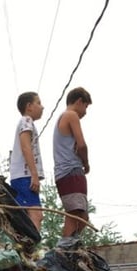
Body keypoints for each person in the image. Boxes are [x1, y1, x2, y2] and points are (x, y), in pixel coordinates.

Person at [53, 87, 92, 238]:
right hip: (71, 171)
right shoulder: (71, 115)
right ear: (79, 101)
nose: (85, 112)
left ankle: (69, 248)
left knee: (80, 216)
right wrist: (86, 163)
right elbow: (82, 145)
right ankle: (63, 250)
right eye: (86, 106)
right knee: (76, 216)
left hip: (64, 173)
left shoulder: (62, 118)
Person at [9, 91, 45, 231]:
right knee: (35, 215)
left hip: (23, 177)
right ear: (29, 106)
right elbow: (26, 147)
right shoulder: (26, 121)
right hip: (24, 176)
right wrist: (34, 175)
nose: (42, 107)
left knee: (26, 215)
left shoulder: (26, 122)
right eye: (39, 103)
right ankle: (31, 250)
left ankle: (25, 246)